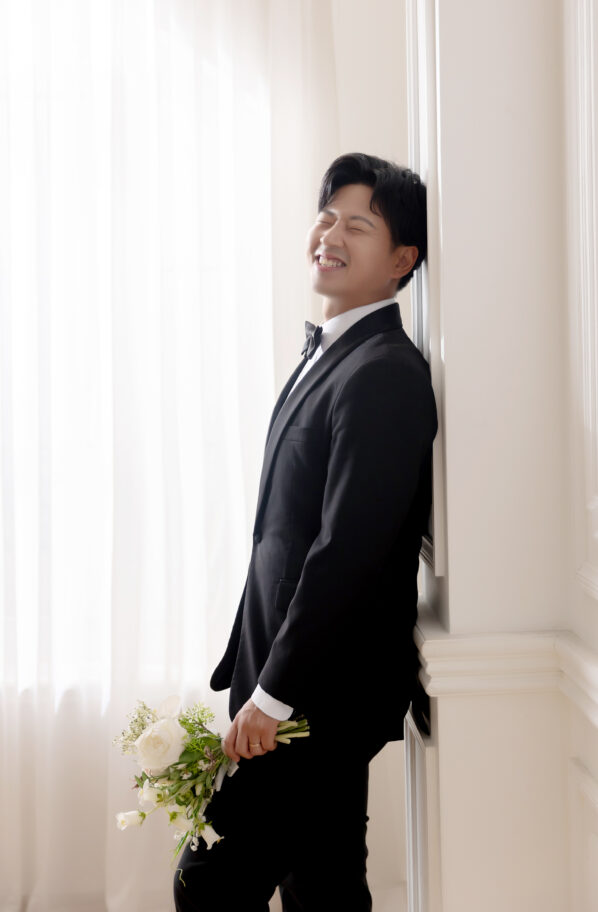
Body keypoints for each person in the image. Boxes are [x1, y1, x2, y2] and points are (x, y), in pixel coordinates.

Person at [173, 152, 438, 911]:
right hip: (297, 679)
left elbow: (347, 551)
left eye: (358, 225)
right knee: (323, 886)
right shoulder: (336, 353)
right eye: (326, 217)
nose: (331, 235)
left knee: (207, 883)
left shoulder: (383, 372)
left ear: (402, 260)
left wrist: (276, 694)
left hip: (319, 696)